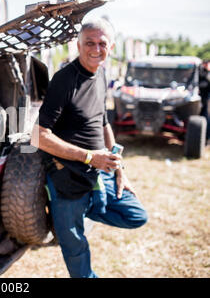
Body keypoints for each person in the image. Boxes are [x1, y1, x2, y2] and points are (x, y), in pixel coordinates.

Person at [31, 19, 148, 278]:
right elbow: (38, 137)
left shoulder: (102, 72)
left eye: (102, 43)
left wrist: (119, 167)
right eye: (89, 43)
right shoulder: (64, 80)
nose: (96, 49)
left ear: (111, 46)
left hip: (99, 172)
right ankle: (67, 219)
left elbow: (103, 121)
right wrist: (88, 157)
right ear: (78, 45)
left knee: (137, 216)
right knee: (75, 247)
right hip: (67, 177)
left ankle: (69, 217)